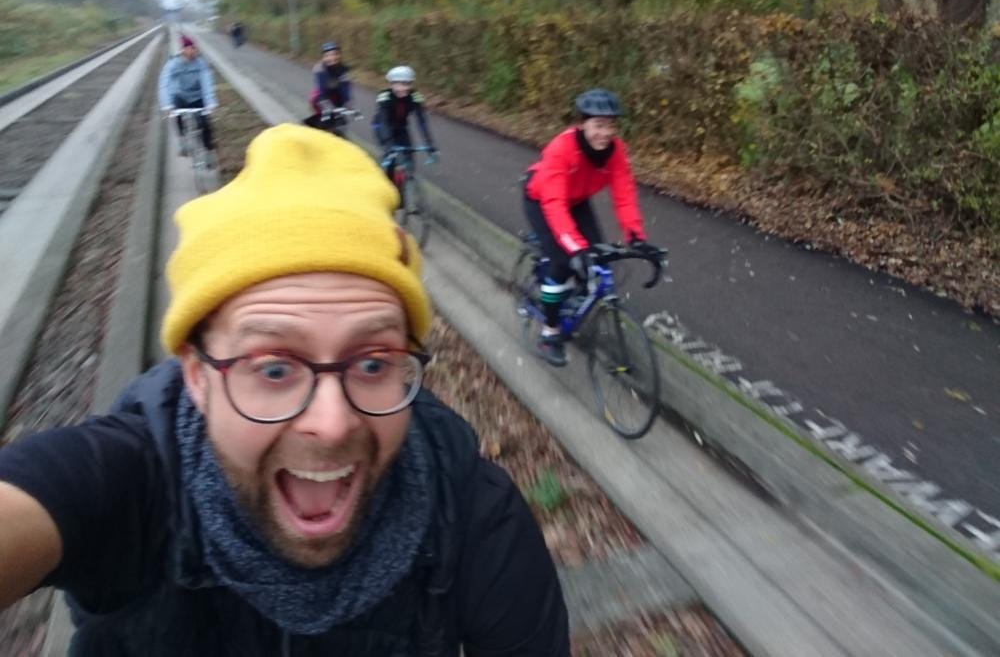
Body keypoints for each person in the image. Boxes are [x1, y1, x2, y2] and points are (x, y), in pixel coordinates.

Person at [0, 124, 569, 656]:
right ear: (197, 377)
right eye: (274, 369)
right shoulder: (126, 488)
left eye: (373, 362)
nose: (333, 422)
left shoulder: (471, 512)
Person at [523, 88, 659, 367]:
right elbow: (554, 205)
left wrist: (635, 235)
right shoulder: (561, 149)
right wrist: (575, 249)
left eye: (610, 125)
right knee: (562, 263)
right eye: (598, 125)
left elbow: (624, 193)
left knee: (597, 258)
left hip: (576, 200)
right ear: (582, 124)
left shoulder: (615, 150)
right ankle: (550, 332)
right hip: (542, 199)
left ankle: (574, 299)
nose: (605, 133)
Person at [372, 65, 438, 184]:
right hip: (382, 126)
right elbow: (383, 121)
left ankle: (408, 181)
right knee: (391, 159)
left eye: (407, 84)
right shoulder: (385, 96)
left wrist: (429, 143)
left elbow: (421, 121)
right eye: (399, 84)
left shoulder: (415, 96)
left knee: (409, 155)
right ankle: (388, 183)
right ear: (392, 84)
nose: (403, 88)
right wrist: (389, 144)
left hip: (401, 127)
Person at [158, 34, 218, 158]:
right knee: (178, 117)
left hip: (197, 96)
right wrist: (167, 105)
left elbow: (207, 83)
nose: (194, 51)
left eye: (195, 48)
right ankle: (183, 140)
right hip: (180, 96)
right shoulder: (173, 64)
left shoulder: (201, 63)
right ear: (183, 49)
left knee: (205, 124)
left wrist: (210, 102)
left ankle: (208, 151)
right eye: (191, 48)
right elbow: (164, 84)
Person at [306, 41, 353, 136]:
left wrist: (346, 102)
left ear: (339, 55)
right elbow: (322, 89)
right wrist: (328, 106)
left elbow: (345, 89)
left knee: (340, 121)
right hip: (321, 97)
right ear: (324, 58)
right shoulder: (320, 69)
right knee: (325, 119)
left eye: (335, 54)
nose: (332, 58)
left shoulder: (344, 70)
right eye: (328, 55)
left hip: (336, 96)